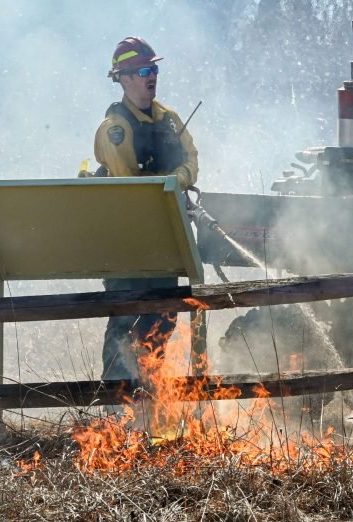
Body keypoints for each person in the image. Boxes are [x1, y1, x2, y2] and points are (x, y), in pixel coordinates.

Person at [94, 36, 199, 383]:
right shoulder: (115, 128)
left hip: (164, 237)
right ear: (124, 79)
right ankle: (117, 401)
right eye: (142, 71)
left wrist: (178, 179)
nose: (151, 76)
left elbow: (191, 160)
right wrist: (166, 184)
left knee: (163, 316)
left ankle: (151, 392)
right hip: (126, 240)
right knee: (125, 319)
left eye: (153, 69)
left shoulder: (170, 119)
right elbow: (129, 185)